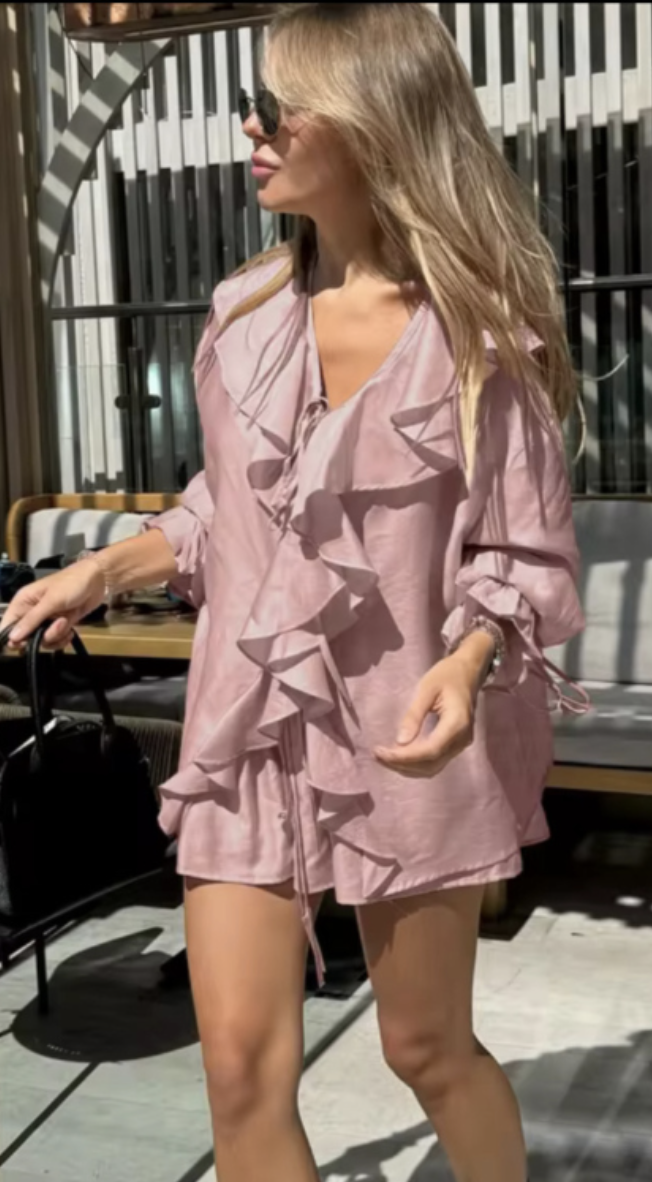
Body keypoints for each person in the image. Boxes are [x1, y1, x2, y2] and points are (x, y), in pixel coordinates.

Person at [2, 4, 586, 1180]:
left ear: (372, 122)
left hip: (407, 732)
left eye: (277, 107)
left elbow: (521, 556)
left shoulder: (477, 337)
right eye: (250, 104)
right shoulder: (244, 316)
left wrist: (467, 662)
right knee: (237, 1073)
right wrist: (105, 566)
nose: (250, 127)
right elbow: (224, 514)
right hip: (247, 726)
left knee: (424, 1048)